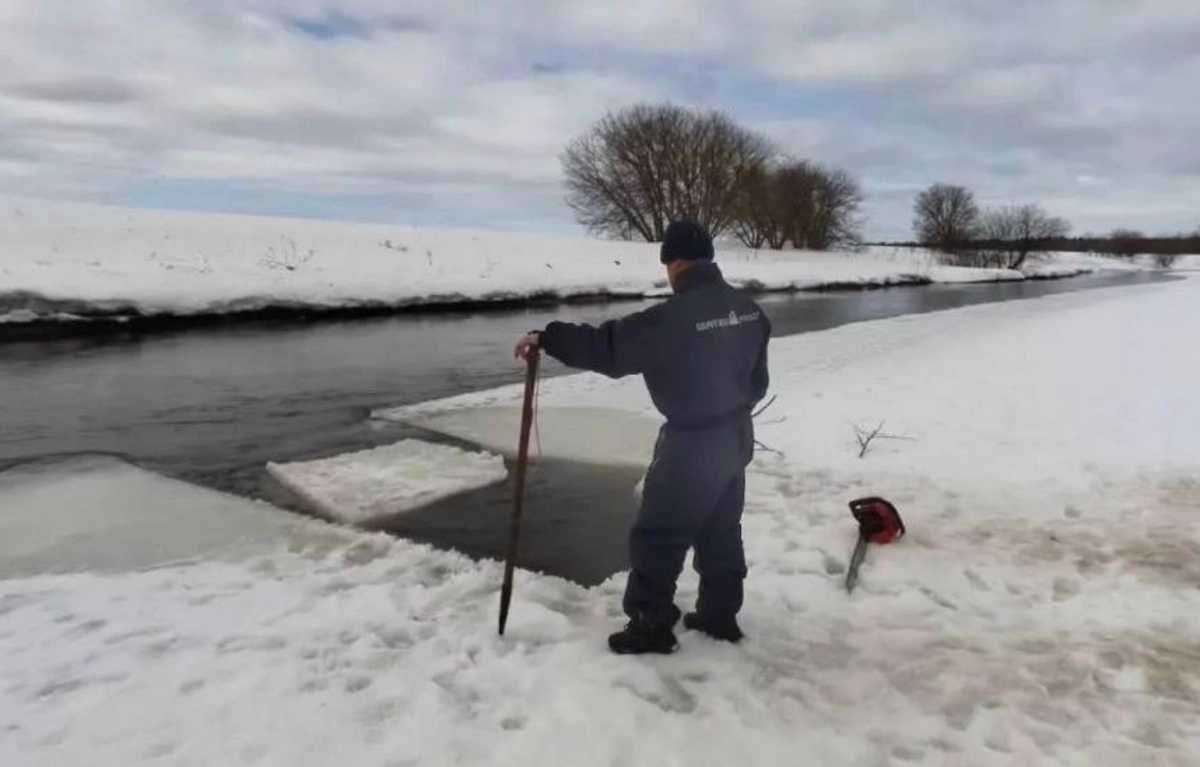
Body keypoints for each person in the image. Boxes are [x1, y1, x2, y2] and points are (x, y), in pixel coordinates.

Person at [513, 220, 771, 655]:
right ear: (709, 257)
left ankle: (650, 628)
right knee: (721, 528)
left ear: (672, 262)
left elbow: (606, 347)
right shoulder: (748, 310)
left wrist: (547, 337)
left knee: (658, 536)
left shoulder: (671, 319)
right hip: (735, 437)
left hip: (691, 445)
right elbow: (758, 383)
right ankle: (719, 616)